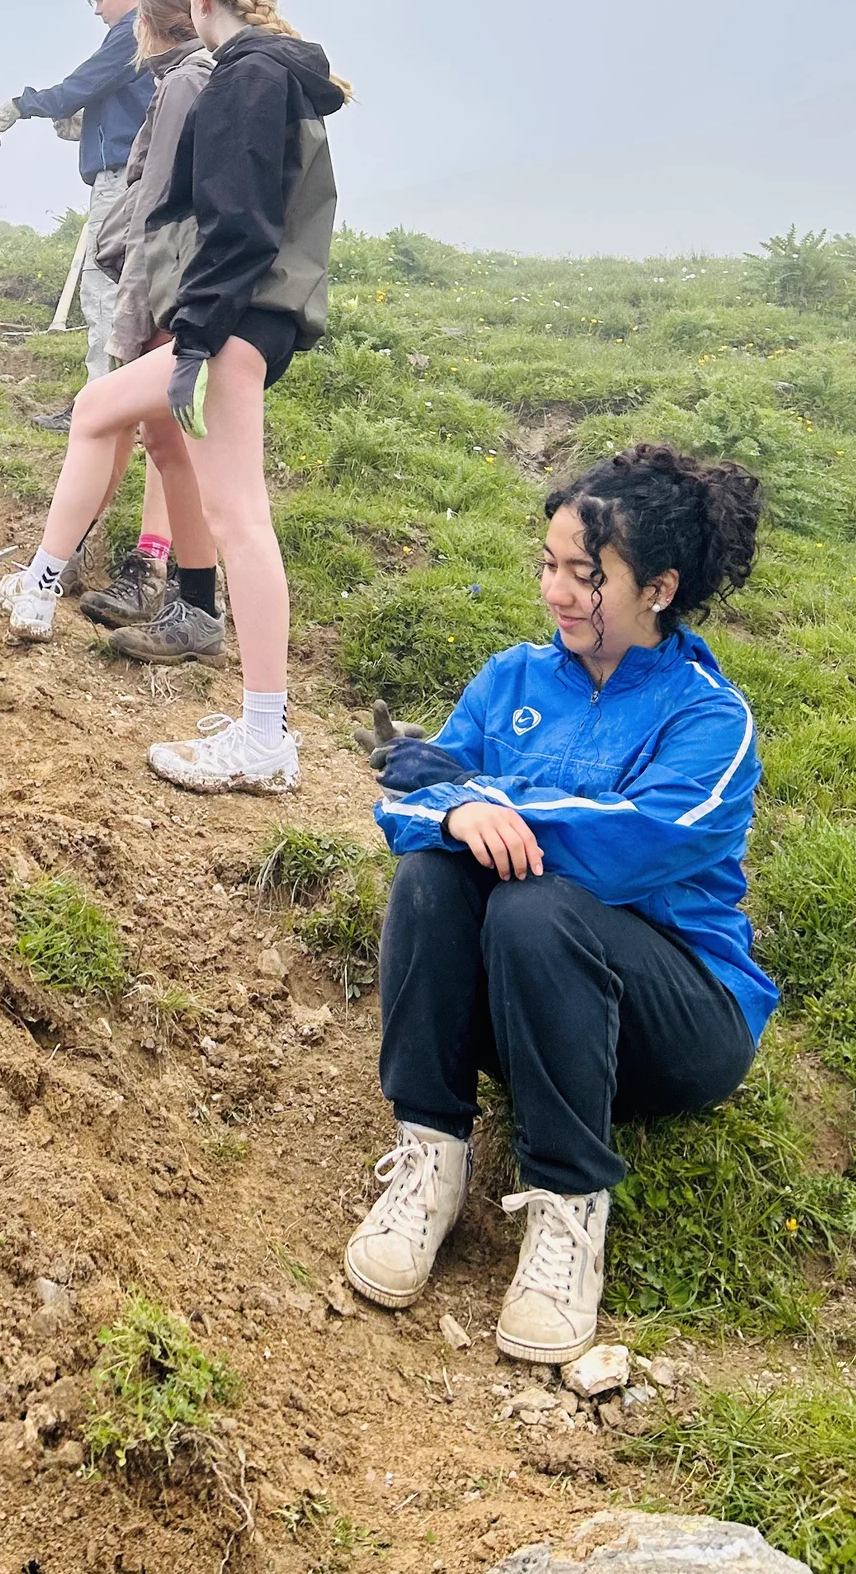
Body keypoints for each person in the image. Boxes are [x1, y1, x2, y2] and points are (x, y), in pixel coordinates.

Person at [345, 445, 772, 1365]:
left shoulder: (709, 719)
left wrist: (486, 797)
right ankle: (431, 1156)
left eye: (588, 574)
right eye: (549, 565)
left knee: (539, 903)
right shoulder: (511, 680)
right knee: (433, 872)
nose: (558, 591)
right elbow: (409, 798)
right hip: (532, 1001)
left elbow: (638, 842)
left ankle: (570, 1210)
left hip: (676, 1016)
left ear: (657, 588)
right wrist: (455, 802)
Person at [0, 0, 346, 794]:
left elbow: (239, 225)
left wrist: (193, 340)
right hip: (251, 319)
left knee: (240, 520)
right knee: (104, 413)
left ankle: (265, 734)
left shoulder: (245, 78)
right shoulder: (274, 69)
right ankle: (43, 587)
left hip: (232, 323)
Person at [77, 0, 220, 651]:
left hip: (171, 284)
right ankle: (159, 576)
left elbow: (157, 212)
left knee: (152, 427)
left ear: (143, 15)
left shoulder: (187, 82)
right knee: (162, 434)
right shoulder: (188, 79)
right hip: (180, 282)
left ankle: (152, 572)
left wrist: (130, 319)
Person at [0, 0, 154, 419]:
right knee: (133, 285)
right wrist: (86, 123)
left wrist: (20, 106)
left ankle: (101, 406)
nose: (96, 10)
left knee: (102, 284)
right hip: (140, 175)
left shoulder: (131, 33)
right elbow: (119, 99)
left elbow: (84, 83)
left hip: (121, 180)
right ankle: (131, 402)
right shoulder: (148, 37)